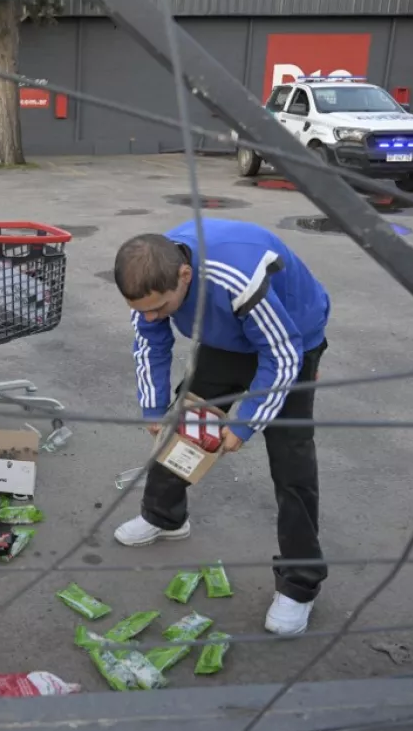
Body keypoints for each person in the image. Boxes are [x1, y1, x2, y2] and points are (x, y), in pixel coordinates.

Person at [113, 219, 331, 636]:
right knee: (185, 423)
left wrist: (247, 424)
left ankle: (300, 585)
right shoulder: (152, 282)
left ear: (185, 275)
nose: (153, 316)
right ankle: (165, 515)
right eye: (143, 309)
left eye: (160, 307)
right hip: (226, 336)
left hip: (293, 338)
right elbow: (149, 342)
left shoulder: (236, 276)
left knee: (292, 459)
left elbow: (279, 356)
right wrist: (154, 408)